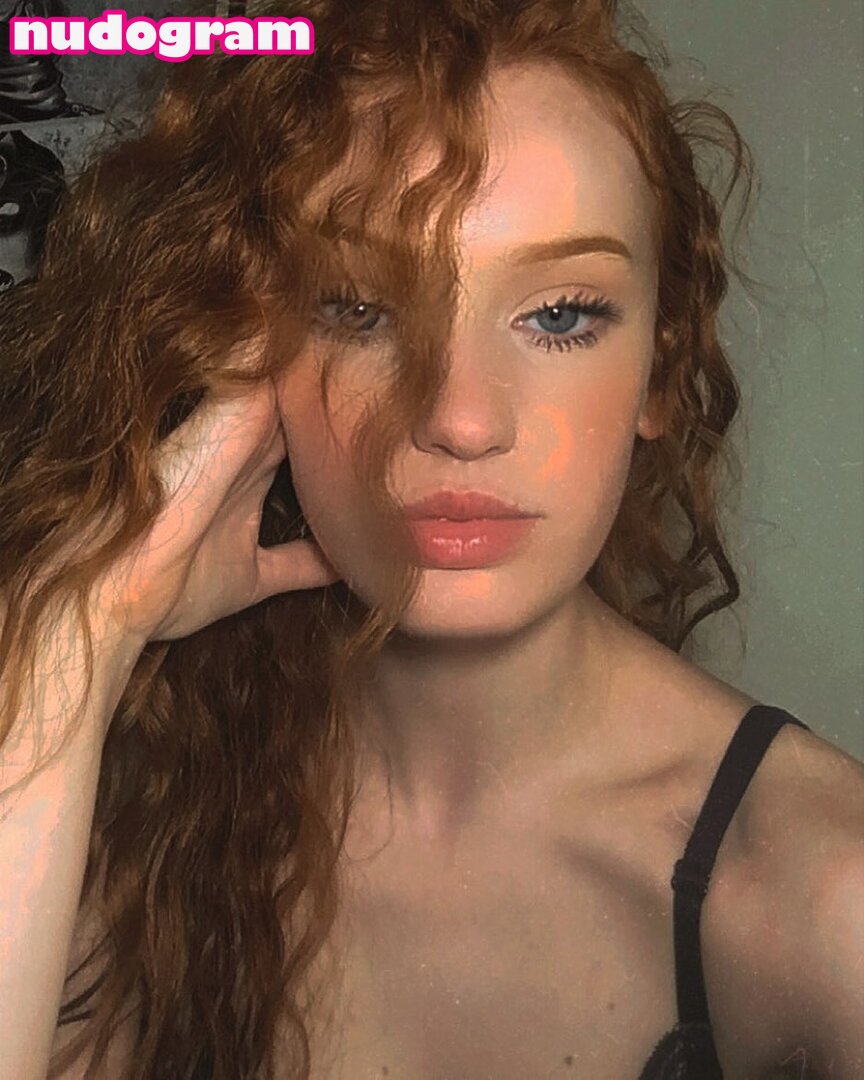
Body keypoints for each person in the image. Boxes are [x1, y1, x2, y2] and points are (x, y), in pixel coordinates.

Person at [0, 1, 861, 1077]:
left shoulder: (829, 901)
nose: (459, 419)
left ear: (661, 365)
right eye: (361, 310)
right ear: (244, 353)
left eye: (560, 314)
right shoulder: (141, 808)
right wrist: (83, 626)